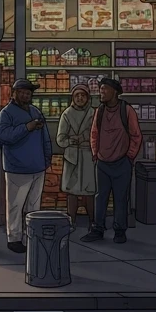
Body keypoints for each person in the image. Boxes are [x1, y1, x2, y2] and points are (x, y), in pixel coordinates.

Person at [0, 79, 52, 254]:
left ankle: (32, 237)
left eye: (29, 92)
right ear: (14, 93)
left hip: (38, 166)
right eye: (23, 91)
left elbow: (45, 137)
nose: (27, 94)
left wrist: (47, 158)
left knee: (34, 206)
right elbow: (4, 136)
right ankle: (14, 238)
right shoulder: (6, 113)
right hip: (17, 168)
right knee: (15, 205)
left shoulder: (35, 111)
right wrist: (27, 127)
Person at [85, 77, 142, 244]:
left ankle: (119, 230)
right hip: (102, 163)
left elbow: (136, 135)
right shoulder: (100, 111)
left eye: (104, 89)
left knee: (120, 198)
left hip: (121, 162)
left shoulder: (127, 110)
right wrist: (96, 153)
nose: (101, 92)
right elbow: (94, 134)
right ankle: (98, 229)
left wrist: (129, 156)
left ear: (115, 92)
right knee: (100, 198)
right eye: (100, 89)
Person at [56, 86, 97, 226]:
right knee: (71, 192)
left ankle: (93, 221)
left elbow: (96, 135)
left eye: (83, 95)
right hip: (72, 157)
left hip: (88, 156)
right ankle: (71, 220)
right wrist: (72, 140)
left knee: (89, 191)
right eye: (77, 95)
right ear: (72, 98)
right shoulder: (66, 114)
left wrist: (84, 137)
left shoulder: (93, 113)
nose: (80, 98)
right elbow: (60, 140)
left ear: (88, 98)